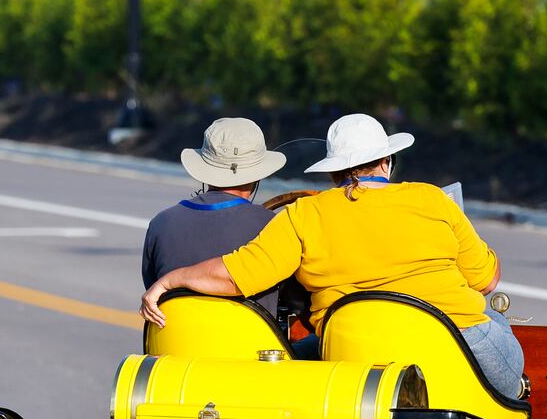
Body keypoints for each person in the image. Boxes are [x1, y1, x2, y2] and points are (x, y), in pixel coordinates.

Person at [140, 113, 526, 397]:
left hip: (352, 361)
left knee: (296, 353)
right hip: (450, 348)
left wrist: (171, 280)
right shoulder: (431, 199)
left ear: (333, 173)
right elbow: (486, 280)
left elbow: (236, 274)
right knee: (495, 322)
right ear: (387, 163)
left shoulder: (305, 214)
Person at [141, 117, 289, 317]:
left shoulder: (161, 223)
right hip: (249, 346)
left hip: (178, 344)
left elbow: (152, 288)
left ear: (205, 169)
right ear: (257, 174)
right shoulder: (274, 225)